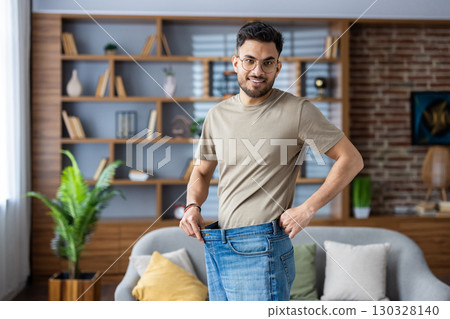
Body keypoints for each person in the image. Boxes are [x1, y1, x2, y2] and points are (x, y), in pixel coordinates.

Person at [179, 21, 364, 301]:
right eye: (250, 61)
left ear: (278, 67)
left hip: (263, 244)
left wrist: (307, 209)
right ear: (236, 62)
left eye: (267, 63)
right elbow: (202, 172)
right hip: (219, 241)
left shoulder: (298, 111)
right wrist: (193, 206)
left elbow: (351, 160)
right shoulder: (216, 115)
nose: (257, 71)